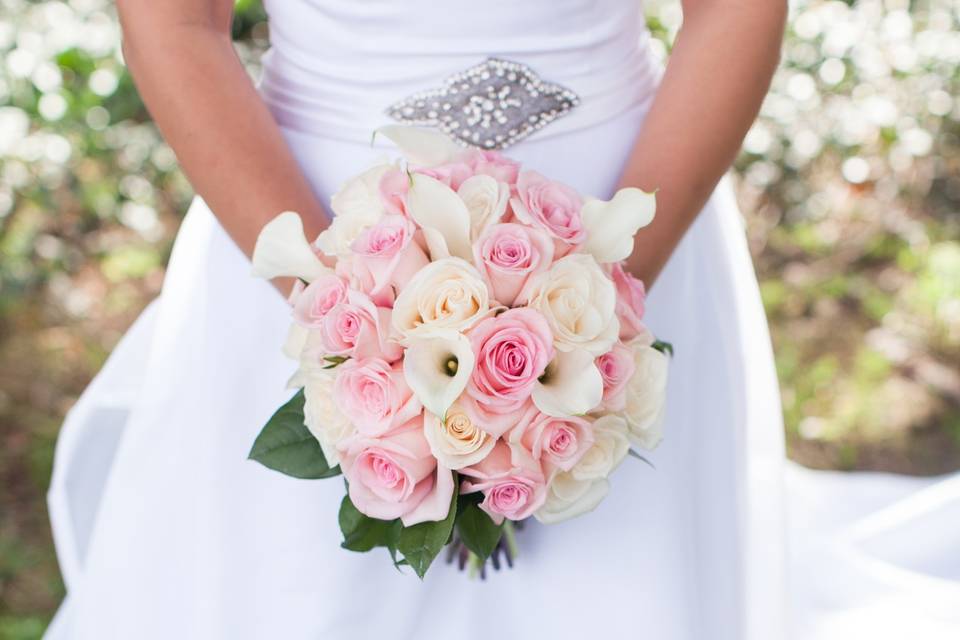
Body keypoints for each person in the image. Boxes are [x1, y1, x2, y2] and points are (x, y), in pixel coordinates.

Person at [46, 0, 790, 638]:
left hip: (629, 208)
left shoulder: (614, 276)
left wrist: (594, 313)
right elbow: (174, 22)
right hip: (305, 220)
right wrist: (345, 315)